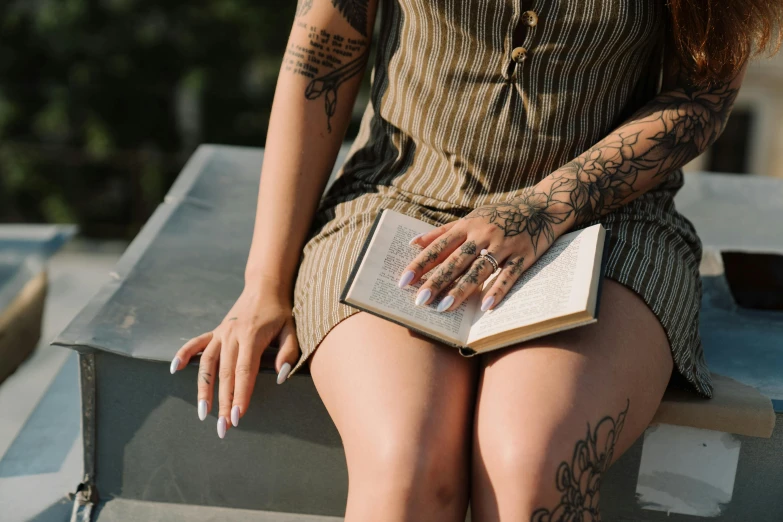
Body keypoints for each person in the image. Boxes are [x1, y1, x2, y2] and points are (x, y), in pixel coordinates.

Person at [170, 1, 781, 519]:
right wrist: (264, 284)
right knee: (405, 468)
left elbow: (702, 96)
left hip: (604, 219)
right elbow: (322, 54)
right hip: (398, 206)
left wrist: (541, 209)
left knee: (533, 463)